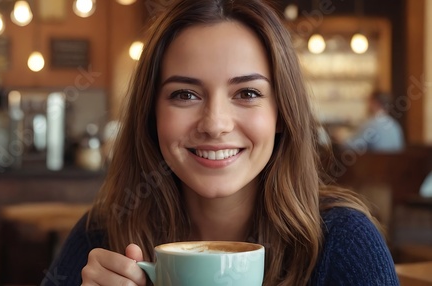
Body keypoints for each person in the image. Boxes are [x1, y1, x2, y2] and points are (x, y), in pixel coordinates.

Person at [41, 1, 399, 285]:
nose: (215, 124)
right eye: (184, 94)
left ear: (282, 113)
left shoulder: (344, 243)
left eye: (247, 93)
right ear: (151, 115)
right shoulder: (103, 233)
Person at [336, 91, 405, 153]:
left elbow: (352, 147)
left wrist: (340, 138)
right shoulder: (395, 124)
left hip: (375, 165)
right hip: (395, 165)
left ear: (375, 103)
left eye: (369, 101)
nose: (367, 105)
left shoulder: (371, 123)